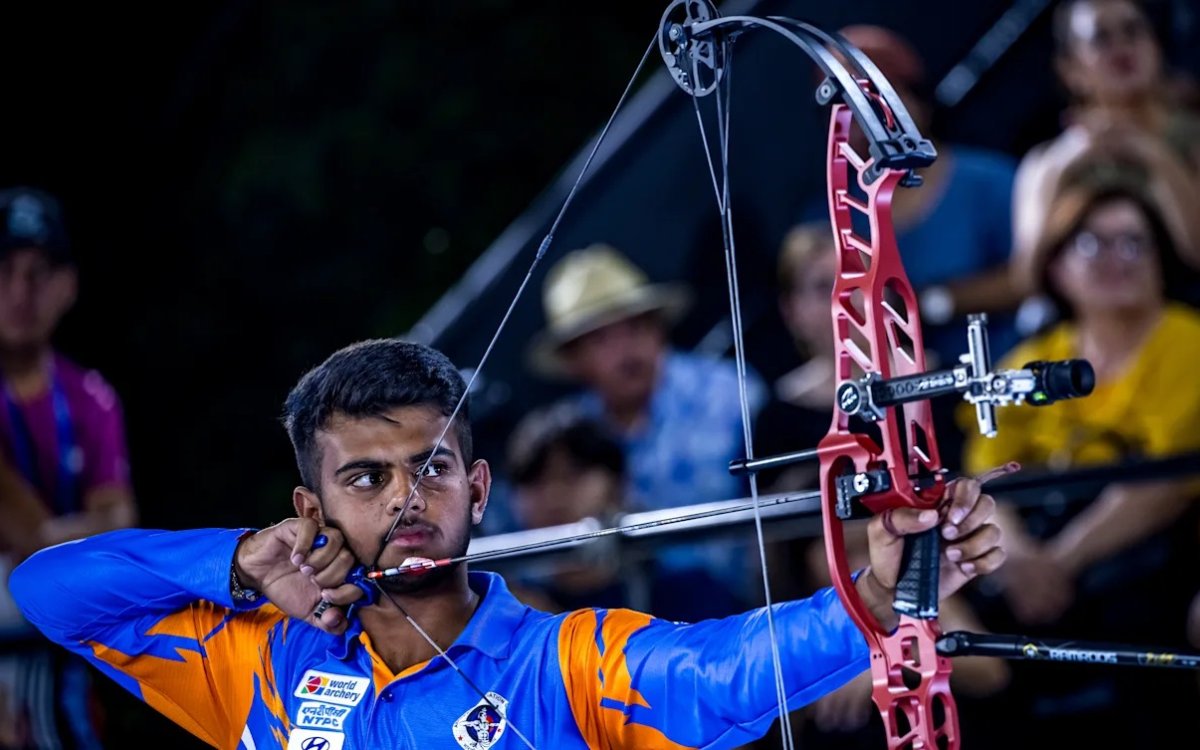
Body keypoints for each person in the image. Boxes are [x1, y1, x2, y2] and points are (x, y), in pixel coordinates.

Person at [11, 337, 1005, 749]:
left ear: (478, 489)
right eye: (366, 478)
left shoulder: (561, 664)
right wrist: (232, 564)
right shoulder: (258, 663)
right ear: (309, 510)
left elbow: (715, 678)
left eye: (433, 468)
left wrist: (873, 599)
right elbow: (54, 592)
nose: (409, 499)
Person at [961, 171, 1200, 746]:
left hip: (1156, 548)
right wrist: (1018, 562)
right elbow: (983, 479)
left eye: (1133, 241)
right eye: (1090, 243)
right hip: (1030, 556)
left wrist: (1058, 564)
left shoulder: (1188, 342)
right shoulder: (1032, 359)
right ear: (1056, 266)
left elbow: (1164, 482)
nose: (1114, 259)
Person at [526, 243, 767, 615]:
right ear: (573, 360)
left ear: (659, 329)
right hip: (619, 629)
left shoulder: (733, 395)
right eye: (601, 338)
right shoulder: (564, 437)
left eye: (636, 326)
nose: (626, 349)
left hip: (751, 613)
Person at [0, 186, 139, 749]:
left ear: (67, 286)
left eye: (38, 273)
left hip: (57, 643)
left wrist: (44, 539)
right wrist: (73, 537)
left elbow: (121, 525)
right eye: (4, 270)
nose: (19, 292)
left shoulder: (90, 396)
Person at [1011, 0, 1200, 301]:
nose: (1121, 47)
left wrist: (1154, 157)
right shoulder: (1046, 163)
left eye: (1132, 31)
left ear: (1156, 45)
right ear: (1070, 69)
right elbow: (1026, 280)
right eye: (1101, 38)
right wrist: (1062, 166)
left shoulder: (1193, 136)